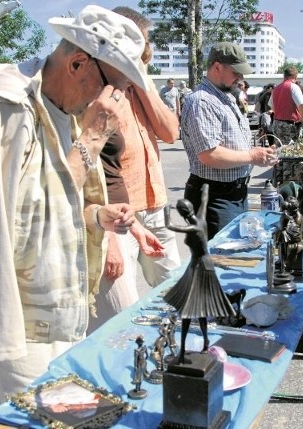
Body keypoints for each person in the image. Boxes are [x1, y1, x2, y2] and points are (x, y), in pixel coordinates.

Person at [0, 5, 147, 409]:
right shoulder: (8, 108)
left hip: (52, 305)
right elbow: (16, 223)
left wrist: (96, 216)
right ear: (79, 63)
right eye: (117, 88)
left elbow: (56, 203)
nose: (119, 102)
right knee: (26, 414)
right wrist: (93, 137)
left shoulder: (62, 107)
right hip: (16, 318)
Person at [89, 6, 179, 333]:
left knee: (175, 290)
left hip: (155, 204)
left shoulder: (140, 85)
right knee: (118, 312)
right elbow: (91, 169)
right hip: (118, 216)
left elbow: (171, 132)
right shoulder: (97, 91)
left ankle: (172, 356)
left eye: (144, 48)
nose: (146, 53)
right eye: (139, 47)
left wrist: (143, 83)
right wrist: (110, 236)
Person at [181, 41, 277, 239]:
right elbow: (210, 154)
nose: (241, 78)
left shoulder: (225, 96)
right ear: (217, 67)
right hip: (215, 197)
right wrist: (251, 156)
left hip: (231, 194)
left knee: (232, 257)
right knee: (219, 262)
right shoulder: (202, 101)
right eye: (236, 72)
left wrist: (259, 155)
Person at [163, 187, 236, 364]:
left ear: (182, 213)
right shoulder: (201, 219)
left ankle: (183, 352)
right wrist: (205, 188)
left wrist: (166, 212)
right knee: (199, 308)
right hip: (199, 265)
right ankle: (205, 342)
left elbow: (170, 226)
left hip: (200, 268)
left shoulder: (193, 227)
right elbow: (204, 201)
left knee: (189, 310)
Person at [269, 66, 303, 144]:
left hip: (277, 123)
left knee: (279, 149)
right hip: (289, 125)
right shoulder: (294, 87)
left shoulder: (276, 89)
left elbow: (272, 106)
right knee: (290, 151)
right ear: (295, 76)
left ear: (284, 76)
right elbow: (302, 105)